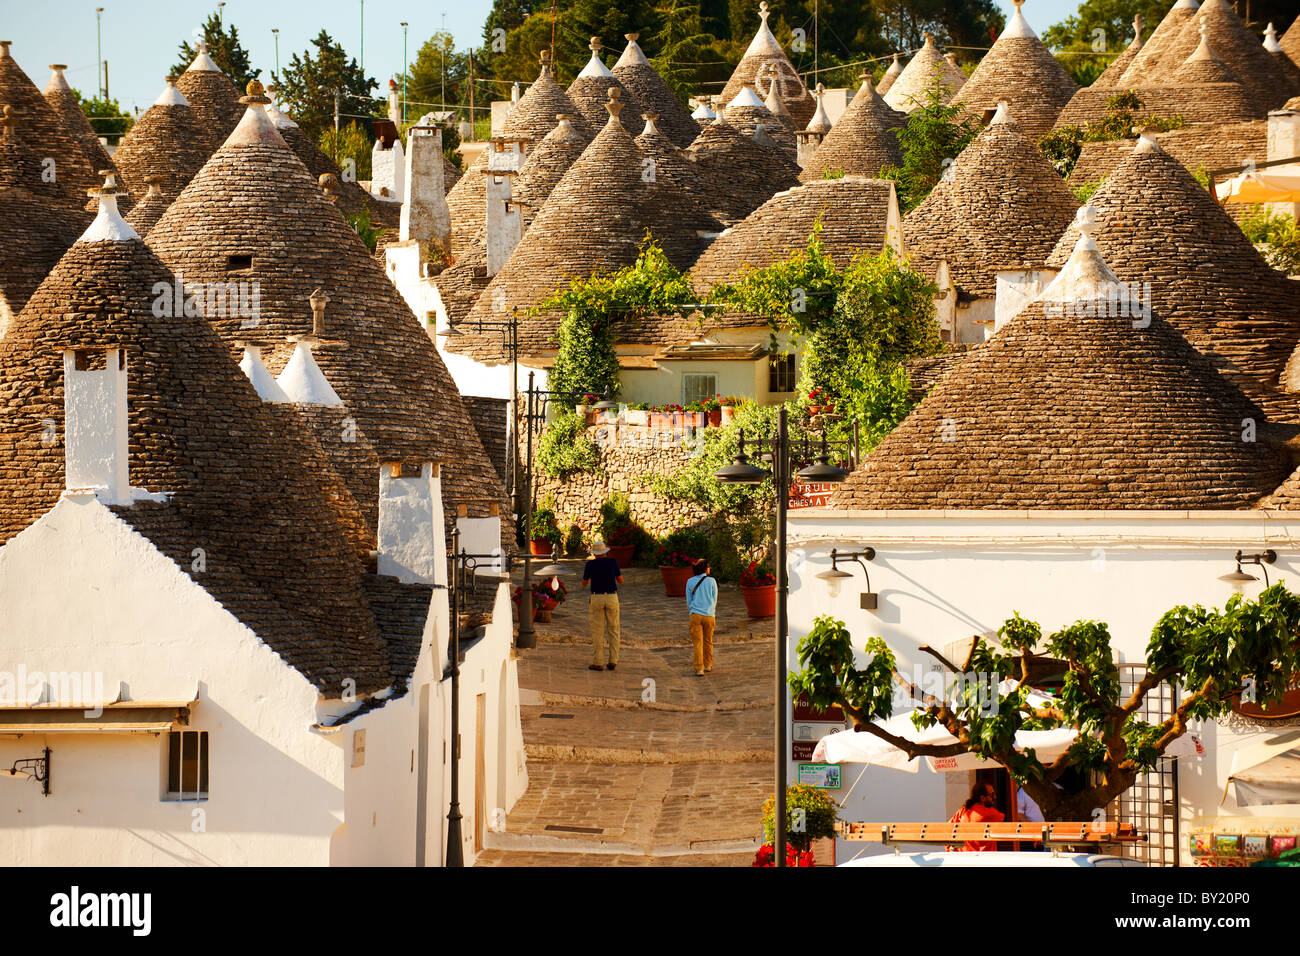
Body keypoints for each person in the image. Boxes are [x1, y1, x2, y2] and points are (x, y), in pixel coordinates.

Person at [581, 539, 622, 672]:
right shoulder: (613, 562)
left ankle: (598, 662)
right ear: (605, 552)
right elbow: (620, 580)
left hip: (596, 597)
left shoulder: (590, 565)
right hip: (611, 596)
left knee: (597, 630)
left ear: (594, 553)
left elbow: (584, 583)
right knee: (614, 629)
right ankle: (613, 660)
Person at [685, 559, 718, 676]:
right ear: (705, 568)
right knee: (708, 641)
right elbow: (715, 599)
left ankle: (699, 668)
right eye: (708, 566)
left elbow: (689, 600)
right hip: (709, 615)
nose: (709, 568)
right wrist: (710, 610)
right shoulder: (712, 581)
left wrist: (693, 610)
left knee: (698, 642)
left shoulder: (689, 581)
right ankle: (708, 664)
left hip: (695, 615)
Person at [950, 781, 1004, 851]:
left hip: (964, 856)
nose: (995, 797)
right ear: (982, 798)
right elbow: (1001, 817)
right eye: (992, 795)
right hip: (985, 859)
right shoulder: (989, 814)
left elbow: (948, 828)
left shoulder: (963, 810)